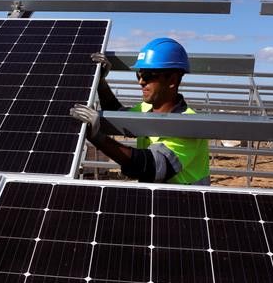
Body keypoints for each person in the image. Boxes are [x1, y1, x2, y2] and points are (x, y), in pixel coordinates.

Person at [70, 37, 210, 185]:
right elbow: (117, 114)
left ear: (172, 80)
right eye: (139, 74)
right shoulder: (146, 109)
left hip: (186, 203)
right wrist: (101, 82)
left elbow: (151, 167)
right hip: (157, 198)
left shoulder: (189, 124)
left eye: (148, 75)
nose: (141, 81)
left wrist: (98, 138)